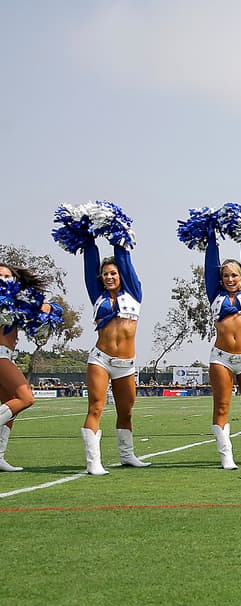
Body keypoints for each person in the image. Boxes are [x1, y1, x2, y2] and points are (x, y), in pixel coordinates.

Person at [52, 201, 149, 475]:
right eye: (105, 274)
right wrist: (88, 233)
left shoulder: (134, 293)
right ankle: (93, 461)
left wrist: (115, 229)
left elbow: (124, 256)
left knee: (126, 411)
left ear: (121, 275)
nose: (109, 276)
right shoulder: (97, 295)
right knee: (95, 406)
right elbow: (90, 257)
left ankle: (127, 455)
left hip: (126, 364)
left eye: (113, 273)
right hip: (101, 359)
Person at [179, 203, 241, 469]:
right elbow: (210, 263)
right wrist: (212, 233)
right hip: (221, 358)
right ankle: (225, 454)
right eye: (226, 275)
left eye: (234, 275)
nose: (229, 278)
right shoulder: (214, 295)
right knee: (221, 406)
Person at [0, 263, 63, 472]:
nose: (3, 279)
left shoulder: (14, 300)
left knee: (10, 406)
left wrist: (48, 309)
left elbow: (45, 309)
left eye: (7, 276)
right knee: (26, 398)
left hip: (7, 355)